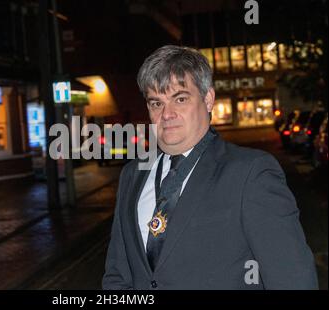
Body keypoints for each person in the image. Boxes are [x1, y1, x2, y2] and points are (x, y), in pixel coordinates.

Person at [102, 45, 318, 290]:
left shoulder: (251, 173)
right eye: (156, 103)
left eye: (180, 99)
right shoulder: (132, 175)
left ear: (208, 100)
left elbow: (292, 279)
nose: (167, 114)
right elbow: (118, 276)